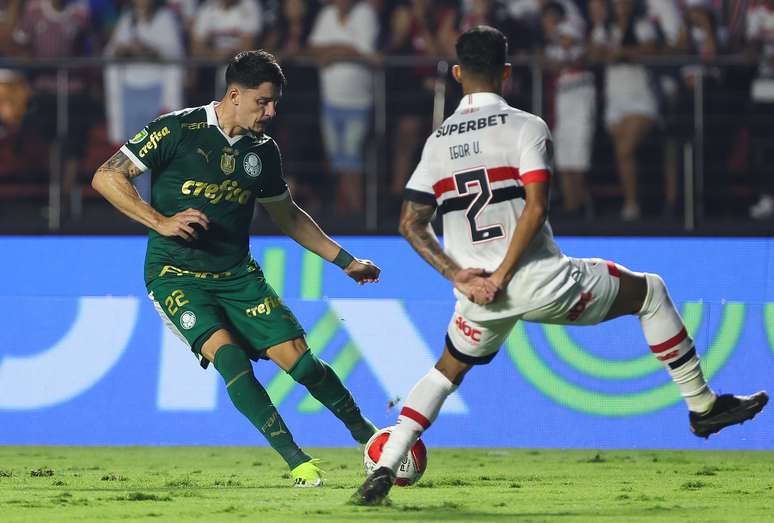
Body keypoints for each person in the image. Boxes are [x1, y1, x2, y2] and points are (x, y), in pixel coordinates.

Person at [351, 25, 768, 505]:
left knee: (446, 372)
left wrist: (459, 275)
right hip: (542, 281)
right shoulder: (526, 126)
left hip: (475, 295)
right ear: (507, 72)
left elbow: (410, 222)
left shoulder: (436, 144)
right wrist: (504, 275)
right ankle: (702, 406)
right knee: (649, 291)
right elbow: (535, 207)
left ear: (458, 73)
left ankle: (385, 465)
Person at [92, 50, 380, 487]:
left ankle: (371, 438)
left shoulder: (262, 152)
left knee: (301, 365)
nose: (272, 111)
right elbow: (107, 177)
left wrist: (345, 261)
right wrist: (161, 221)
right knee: (229, 358)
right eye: (264, 102)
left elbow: (290, 217)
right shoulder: (177, 129)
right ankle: (298, 461)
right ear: (234, 95)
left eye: (274, 102)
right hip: (175, 275)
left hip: (237, 275)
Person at [307, 0, 380, 215]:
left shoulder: (366, 12)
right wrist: (344, 48)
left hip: (358, 102)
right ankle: (344, 210)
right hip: (330, 101)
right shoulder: (327, 14)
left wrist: (332, 52)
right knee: (335, 160)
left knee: (352, 159)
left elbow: (364, 51)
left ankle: (358, 215)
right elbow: (314, 49)